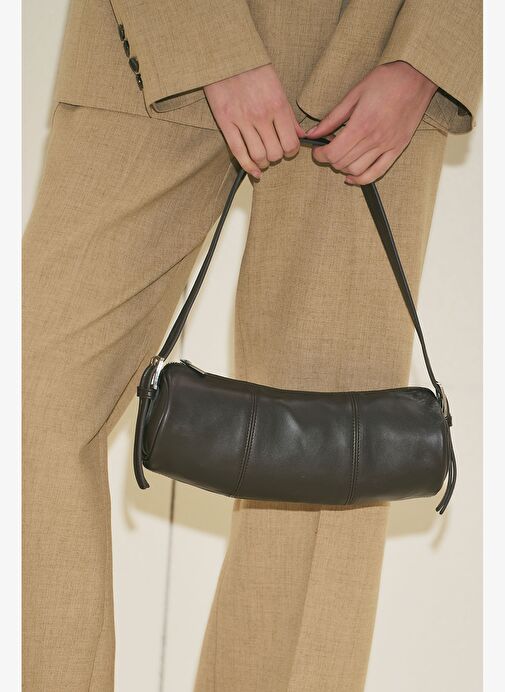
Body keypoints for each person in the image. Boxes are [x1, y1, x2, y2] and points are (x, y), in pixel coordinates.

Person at [22, 0, 482, 690]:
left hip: (371, 48)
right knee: (30, 403)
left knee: (327, 463)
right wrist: (209, 42)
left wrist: (427, 59)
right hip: (153, 46)